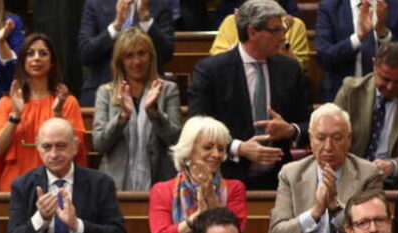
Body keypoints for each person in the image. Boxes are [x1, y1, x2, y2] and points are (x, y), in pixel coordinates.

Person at [186, 0, 309, 191]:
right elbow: (198, 128)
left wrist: (291, 130)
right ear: (252, 32)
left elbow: (308, 122)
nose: (284, 38)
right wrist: (238, 148)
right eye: (276, 31)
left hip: (279, 183)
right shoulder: (210, 71)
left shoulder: (290, 69)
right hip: (224, 179)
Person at [270, 104, 384, 233]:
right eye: (321, 138)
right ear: (311, 139)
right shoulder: (291, 174)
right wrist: (314, 214)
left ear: (349, 139)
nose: (328, 147)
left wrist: (337, 210)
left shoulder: (368, 174)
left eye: (337, 138)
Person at [6, 117, 127, 233]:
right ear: (38, 148)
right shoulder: (23, 185)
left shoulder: (100, 183)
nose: (54, 154)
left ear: (75, 146)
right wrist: (41, 219)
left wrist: (77, 225)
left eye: (61, 146)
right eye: (47, 147)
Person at [148, 115, 247, 233]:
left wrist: (209, 193)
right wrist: (195, 219)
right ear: (188, 150)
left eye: (220, 148)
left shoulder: (235, 188)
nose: (216, 154)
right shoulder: (162, 190)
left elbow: (235, 232)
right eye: (208, 147)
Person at [0, 33, 86, 193]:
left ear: (52, 62)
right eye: (30, 53)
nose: (36, 58)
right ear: (23, 61)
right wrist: (15, 116)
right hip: (15, 183)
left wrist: (58, 112)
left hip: (56, 183)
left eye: (43, 53)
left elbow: (76, 148)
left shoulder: (67, 102)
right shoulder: (6, 103)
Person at [333, 41, 398, 187]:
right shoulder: (351, 91)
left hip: (395, 183)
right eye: (385, 79)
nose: (390, 87)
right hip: (348, 178)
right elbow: (332, 137)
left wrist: (394, 166)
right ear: (374, 66)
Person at [93, 28, 181, 193]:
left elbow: (176, 140)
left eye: (142, 54)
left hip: (160, 183)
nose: (137, 61)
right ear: (120, 60)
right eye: (129, 56)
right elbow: (99, 144)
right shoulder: (106, 92)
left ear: (151, 56)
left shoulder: (168, 90)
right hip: (116, 184)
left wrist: (155, 113)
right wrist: (122, 118)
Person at [76, 0, 175, 107]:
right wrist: (115, 26)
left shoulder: (160, 4)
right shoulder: (95, 4)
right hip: (103, 89)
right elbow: (85, 53)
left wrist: (146, 20)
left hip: (149, 93)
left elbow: (167, 54)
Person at [314, 0, 398, 102]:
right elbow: (324, 58)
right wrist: (358, 38)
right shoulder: (330, 7)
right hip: (341, 94)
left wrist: (383, 33)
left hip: (389, 93)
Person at [209, 7, 312, 65]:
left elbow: (300, 67)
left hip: (280, 87)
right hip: (235, 85)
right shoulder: (231, 22)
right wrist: (243, 32)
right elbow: (217, 61)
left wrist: (279, 35)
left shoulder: (295, 24)